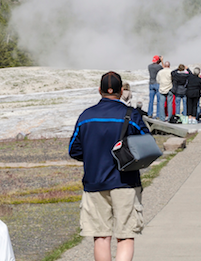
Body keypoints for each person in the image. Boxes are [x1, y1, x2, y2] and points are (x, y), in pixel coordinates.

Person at [69, 72, 151, 261]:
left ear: (99, 90)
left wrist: (93, 156)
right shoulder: (131, 115)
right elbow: (146, 143)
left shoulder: (85, 116)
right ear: (121, 91)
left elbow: (74, 149)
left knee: (101, 236)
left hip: (94, 181)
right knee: (125, 235)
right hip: (126, 181)